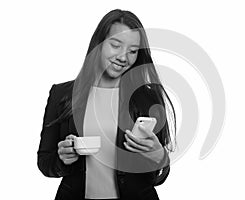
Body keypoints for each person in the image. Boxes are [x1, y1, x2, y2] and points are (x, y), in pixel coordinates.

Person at [37, 9, 176, 200]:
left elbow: (156, 179)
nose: (123, 57)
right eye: (116, 45)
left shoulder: (146, 98)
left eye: (133, 51)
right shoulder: (62, 94)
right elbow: (45, 163)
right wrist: (62, 159)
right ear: (99, 44)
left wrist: (159, 157)